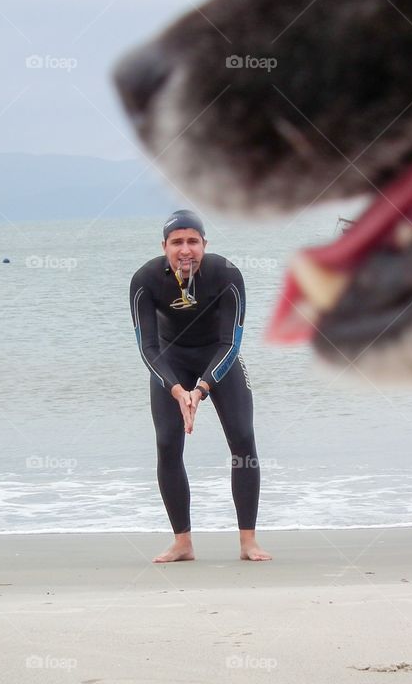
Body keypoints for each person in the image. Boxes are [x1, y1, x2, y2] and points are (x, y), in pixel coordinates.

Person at [129, 210, 272, 563]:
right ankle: (182, 543)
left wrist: (203, 387)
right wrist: (178, 390)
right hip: (169, 361)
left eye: (193, 241)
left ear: (205, 245)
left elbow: (231, 342)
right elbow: (147, 348)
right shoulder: (145, 280)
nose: (185, 249)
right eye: (177, 242)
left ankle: (248, 541)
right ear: (164, 246)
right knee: (167, 444)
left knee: (242, 437)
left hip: (218, 359)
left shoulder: (227, 275)